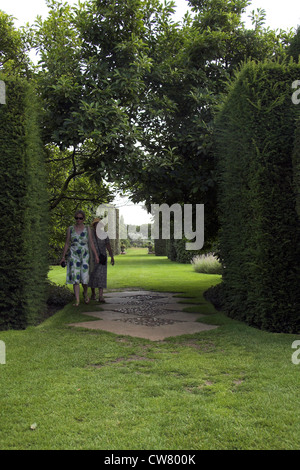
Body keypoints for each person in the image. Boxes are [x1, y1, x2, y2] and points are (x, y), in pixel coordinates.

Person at [60, 210, 99, 306]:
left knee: (84, 277)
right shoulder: (70, 229)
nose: (78, 220)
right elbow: (67, 243)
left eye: (80, 218)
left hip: (84, 255)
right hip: (73, 255)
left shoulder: (87, 229)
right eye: (76, 218)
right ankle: (77, 300)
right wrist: (63, 257)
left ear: (83, 219)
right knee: (75, 277)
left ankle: (85, 293)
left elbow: (91, 242)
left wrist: (96, 255)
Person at [88, 218, 114, 302]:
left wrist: (112, 257)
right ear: (94, 225)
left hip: (102, 258)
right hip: (92, 258)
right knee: (92, 275)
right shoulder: (90, 234)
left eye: (98, 224)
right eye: (96, 224)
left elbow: (108, 246)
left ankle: (101, 296)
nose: (97, 226)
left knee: (101, 276)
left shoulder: (105, 235)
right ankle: (93, 294)